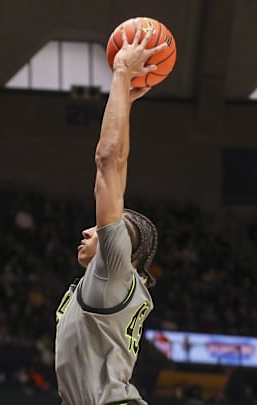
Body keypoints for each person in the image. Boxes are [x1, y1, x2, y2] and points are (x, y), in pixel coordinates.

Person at [54, 26, 166, 405]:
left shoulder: (112, 271)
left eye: (103, 229)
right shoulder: (115, 281)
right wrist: (127, 102)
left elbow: (108, 162)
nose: (89, 230)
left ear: (122, 248)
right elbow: (119, 165)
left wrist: (120, 73)